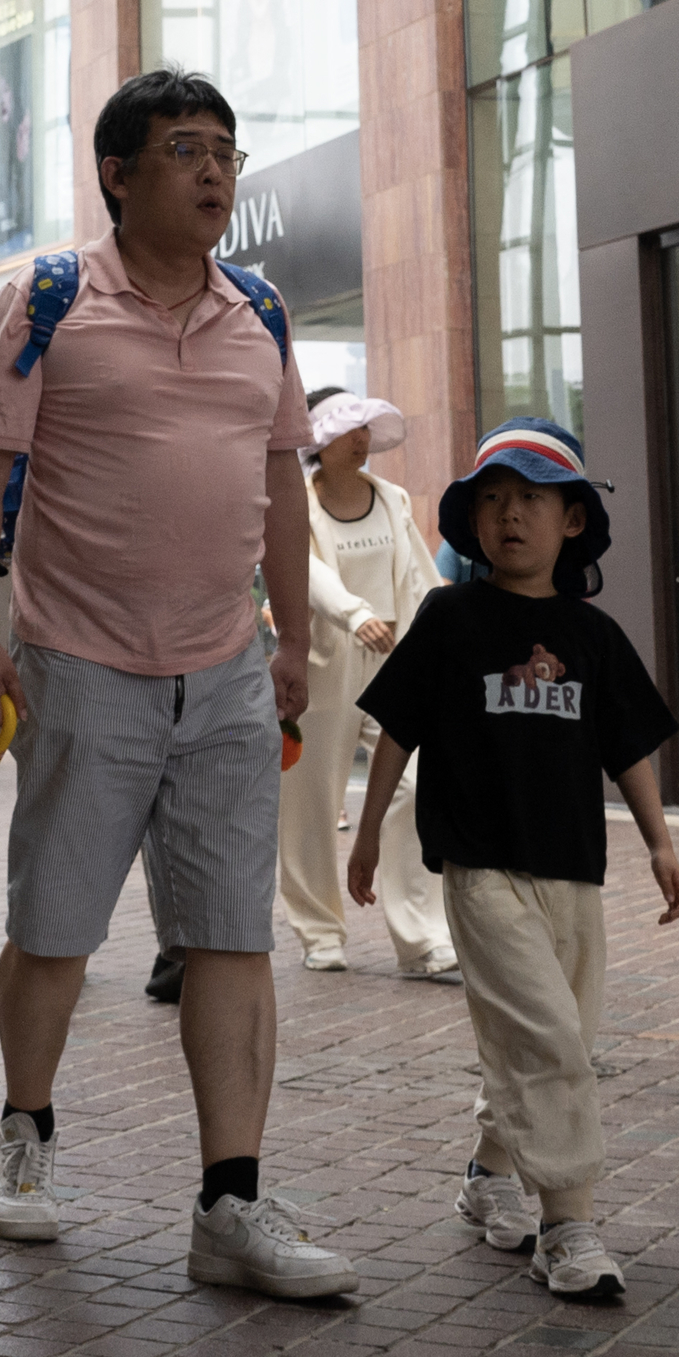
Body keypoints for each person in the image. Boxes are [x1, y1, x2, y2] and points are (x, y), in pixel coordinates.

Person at [0, 68, 353, 1300]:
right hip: (78, 663)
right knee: (56, 925)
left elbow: (282, 481)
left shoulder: (261, 312)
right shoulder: (50, 300)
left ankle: (229, 1205)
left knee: (233, 935)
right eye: (184, 149)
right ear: (117, 175)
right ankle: (25, 1135)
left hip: (225, 672)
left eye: (226, 149)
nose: (214, 171)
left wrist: (288, 639)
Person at [348, 418, 679, 1301]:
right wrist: (365, 831)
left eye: (530, 498)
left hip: (574, 866)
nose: (508, 515)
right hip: (479, 862)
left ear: (572, 520)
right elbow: (397, 728)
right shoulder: (450, 615)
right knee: (546, 1033)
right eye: (492, 498)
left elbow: (629, 747)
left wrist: (659, 842)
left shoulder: (595, 634)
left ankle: (488, 1170)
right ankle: (568, 1223)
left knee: (555, 1033)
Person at [283, 390, 453, 979]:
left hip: (396, 664)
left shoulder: (393, 500)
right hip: (325, 669)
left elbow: (420, 573)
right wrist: (354, 614)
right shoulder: (295, 507)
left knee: (413, 785)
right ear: (318, 441)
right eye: (346, 430)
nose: (360, 442)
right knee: (312, 802)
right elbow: (302, 572)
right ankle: (320, 932)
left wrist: (446, 624)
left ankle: (422, 937)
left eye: (365, 430)